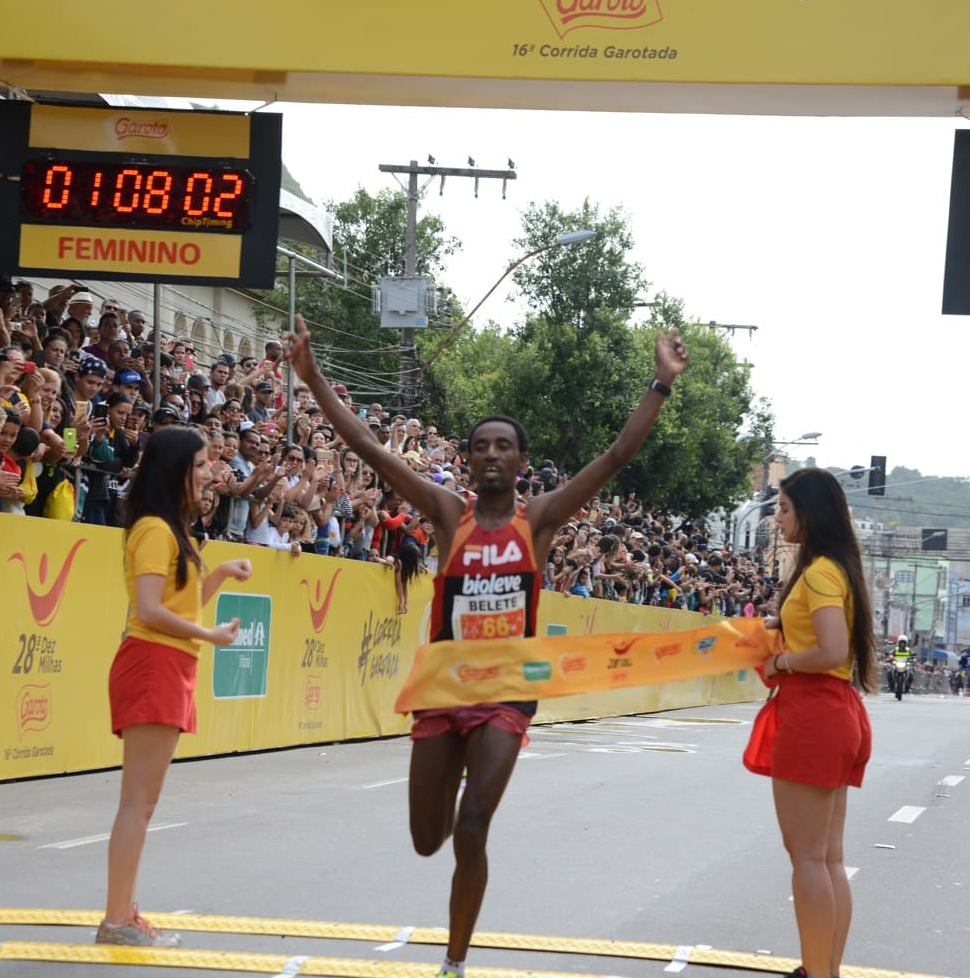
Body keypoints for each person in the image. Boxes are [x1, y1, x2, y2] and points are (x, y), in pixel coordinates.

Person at [283, 312, 687, 978]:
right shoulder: (448, 513)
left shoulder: (543, 518)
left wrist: (660, 384)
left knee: (472, 828)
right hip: (444, 686)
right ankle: (455, 774)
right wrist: (314, 377)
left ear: (521, 462)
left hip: (505, 690)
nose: (492, 453)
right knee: (426, 839)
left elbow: (615, 456)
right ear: (470, 460)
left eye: (504, 446)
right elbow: (368, 449)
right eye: (481, 446)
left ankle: (454, 961)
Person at [98, 425, 254, 947]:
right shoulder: (155, 531)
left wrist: (220, 575)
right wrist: (208, 635)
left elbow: (179, 605)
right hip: (152, 663)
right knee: (137, 804)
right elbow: (148, 611)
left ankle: (124, 912)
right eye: (202, 464)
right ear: (176, 470)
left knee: (142, 803)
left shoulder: (172, 531)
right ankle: (117, 919)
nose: (211, 472)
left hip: (168, 663)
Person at [753, 468, 876, 978]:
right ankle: (823, 970)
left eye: (783, 508)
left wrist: (779, 662)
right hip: (836, 712)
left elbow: (831, 648)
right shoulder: (834, 569)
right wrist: (776, 625)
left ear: (809, 511)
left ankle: (817, 972)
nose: (778, 518)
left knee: (807, 858)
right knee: (826, 859)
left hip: (814, 714)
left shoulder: (821, 571)